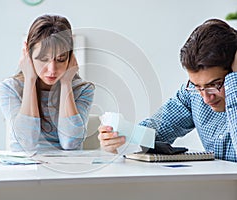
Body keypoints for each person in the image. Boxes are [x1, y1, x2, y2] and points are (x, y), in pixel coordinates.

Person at [98, 19, 237, 162]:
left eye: (215, 85)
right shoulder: (192, 95)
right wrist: (118, 140)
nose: (206, 99)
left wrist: (234, 84)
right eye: (197, 86)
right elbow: (152, 134)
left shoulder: (232, 84)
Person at [0, 15, 95, 154]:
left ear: (71, 57)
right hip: (24, 170)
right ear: (28, 53)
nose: (52, 70)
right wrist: (30, 80)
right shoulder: (9, 88)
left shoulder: (83, 90)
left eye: (61, 59)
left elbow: (70, 143)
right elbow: (27, 144)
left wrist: (66, 83)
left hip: (67, 170)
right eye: (43, 59)